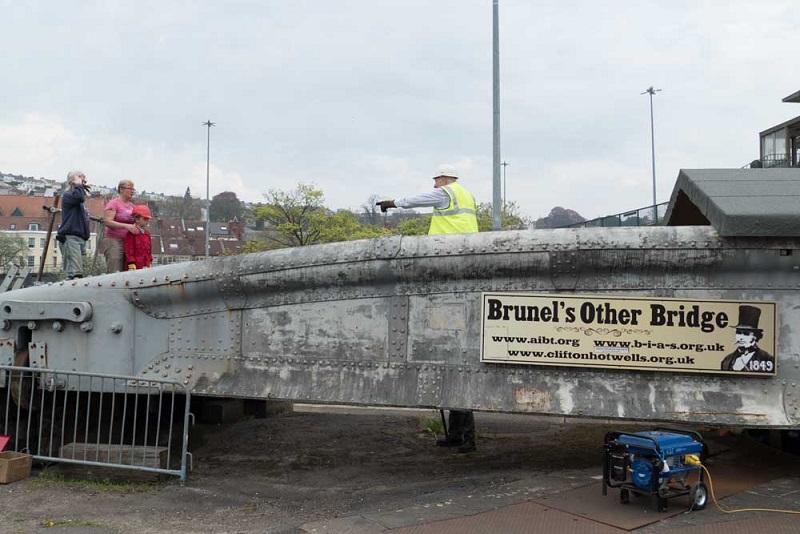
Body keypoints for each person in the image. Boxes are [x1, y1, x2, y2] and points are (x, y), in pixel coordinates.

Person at [377, 165, 479, 452]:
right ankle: (458, 437)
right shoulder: (466, 195)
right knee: (456, 383)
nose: (434, 184)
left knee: (457, 382)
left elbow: (419, 200)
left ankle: (465, 439)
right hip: (462, 253)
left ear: (444, 180)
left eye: (436, 180)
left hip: (448, 253)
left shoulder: (446, 193)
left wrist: (393, 203)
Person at [55, 170, 91, 279]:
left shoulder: (78, 201)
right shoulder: (68, 195)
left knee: (79, 271)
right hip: (71, 237)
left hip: (79, 238)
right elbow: (79, 197)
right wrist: (78, 184)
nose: (83, 181)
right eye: (80, 178)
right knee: (75, 273)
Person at [720, 305, 775, 373]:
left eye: (746, 334)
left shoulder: (767, 359)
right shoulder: (727, 360)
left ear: (755, 336)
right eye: (738, 333)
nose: (741, 337)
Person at [101, 180, 138, 273]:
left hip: (128, 242)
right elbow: (108, 222)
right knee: (115, 269)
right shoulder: (113, 204)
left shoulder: (132, 206)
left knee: (127, 269)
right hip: (113, 241)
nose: (132, 191)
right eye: (130, 188)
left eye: (133, 189)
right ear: (121, 189)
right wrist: (126, 226)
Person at [124, 205, 153, 270]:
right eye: (145, 219)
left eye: (148, 219)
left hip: (146, 265)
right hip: (135, 267)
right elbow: (129, 250)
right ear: (137, 219)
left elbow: (149, 251)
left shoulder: (147, 234)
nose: (147, 221)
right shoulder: (131, 233)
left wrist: (150, 261)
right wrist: (131, 263)